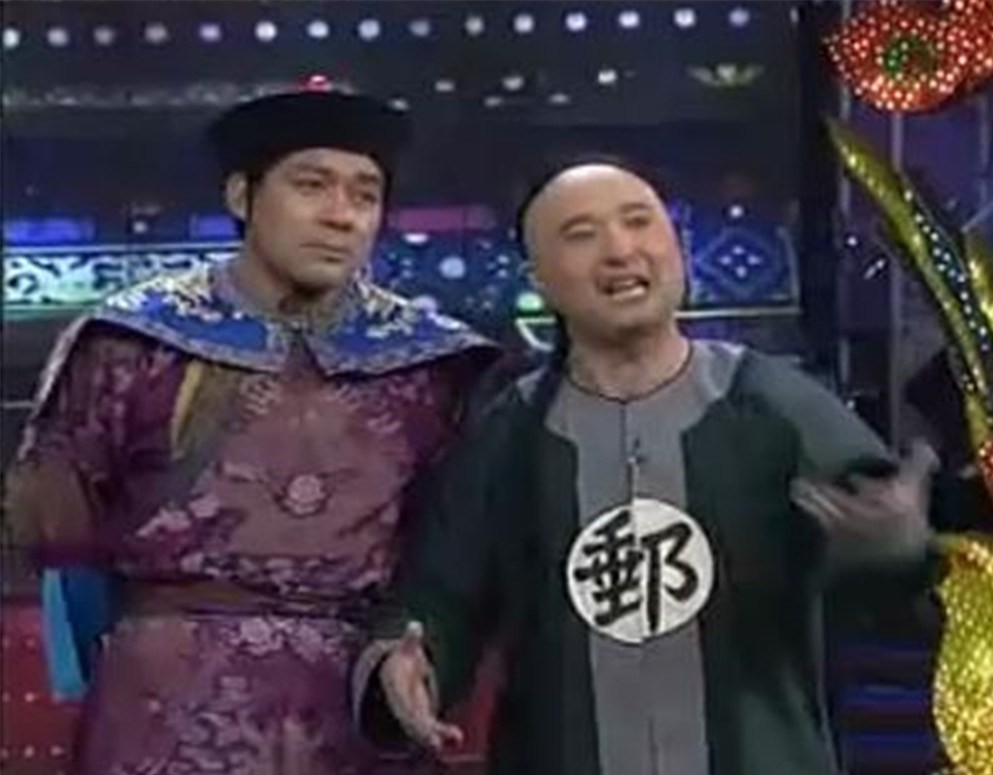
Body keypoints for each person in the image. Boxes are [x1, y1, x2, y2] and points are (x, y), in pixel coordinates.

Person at [353, 156, 939, 775]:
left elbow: (902, 590)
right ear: (540, 280)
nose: (619, 250)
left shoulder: (775, 405)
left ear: (676, 248)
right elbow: (440, 597)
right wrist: (408, 664)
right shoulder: (510, 432)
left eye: (638, 222)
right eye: (582, 235)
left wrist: (898, 551)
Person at [3, 83, 497, 774]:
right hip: (164, 703)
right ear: (242, 196)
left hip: (362, 706)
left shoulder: (437, 362)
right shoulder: (130, 342)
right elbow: (62, 543)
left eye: (365, 194)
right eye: (311, 186)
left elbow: (456, 554)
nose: (341, 215)